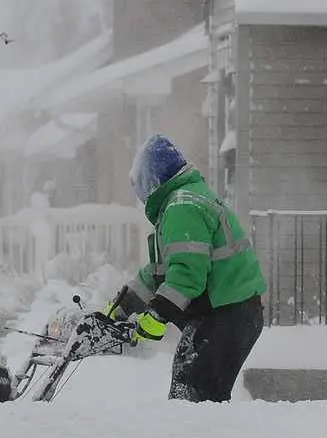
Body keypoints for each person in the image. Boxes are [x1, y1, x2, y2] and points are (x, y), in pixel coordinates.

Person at [107, 134, 267, 402]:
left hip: (228, 313)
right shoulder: (182, 200)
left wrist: (158, 314)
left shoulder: (182, 206)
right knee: (195, 390)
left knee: (194, 393)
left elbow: (187, 273)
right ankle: (200, 427)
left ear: (152, 180)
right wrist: (121, 306)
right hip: (229, 312)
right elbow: (160, 271)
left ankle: (196, 429)